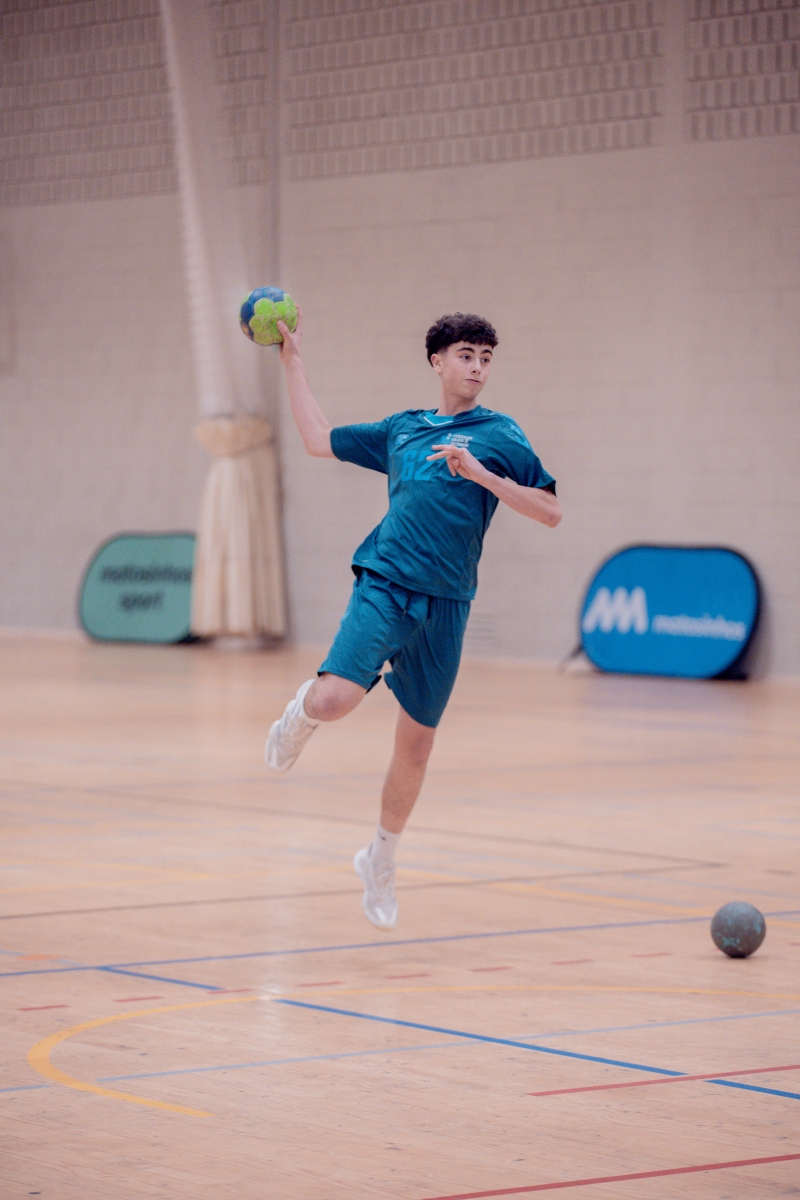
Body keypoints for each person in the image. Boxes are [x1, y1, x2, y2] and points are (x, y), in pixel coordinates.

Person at [266, 311, 561, 930]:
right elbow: (317, 439)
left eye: (485, 358)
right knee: (333, 701)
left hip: (448, 602)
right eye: (465, 355)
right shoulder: (403, 429)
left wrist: (483, 475)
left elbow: (549, 511)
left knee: (417, 745)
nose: (476, 368)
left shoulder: (500, 434)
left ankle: (379, 859)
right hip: (387, 582)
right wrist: (293, 363)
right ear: (437, 361)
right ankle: (300, 713)